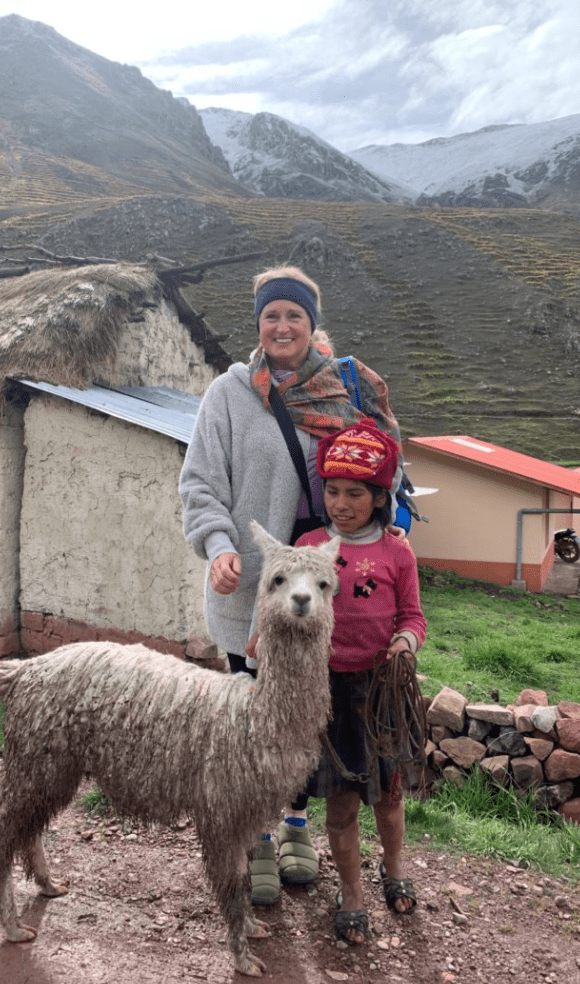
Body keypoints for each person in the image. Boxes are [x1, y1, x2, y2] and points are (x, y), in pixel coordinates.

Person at [179, 265, 402, 905]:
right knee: (252, 723)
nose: (282, 327)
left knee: (306, 717)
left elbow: (386, 469)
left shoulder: (345, 392)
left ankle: (297, 822)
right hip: (256, 587)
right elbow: (199, 484)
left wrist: (393, 528)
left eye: (294, 316)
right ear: (258, 324)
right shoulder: (228, 394)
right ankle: (256, 837)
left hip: (326, 594)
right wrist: (219, 547)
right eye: (271, 315)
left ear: (311, 325)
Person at [295, 417, 427, 945]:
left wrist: (404, 644)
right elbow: (286, 604)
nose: (341, 503)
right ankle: (350, 894)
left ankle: (394, 869)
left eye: (355, 493)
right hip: (325, 692)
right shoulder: (307, 545)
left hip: (381, 693)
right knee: (342, 803)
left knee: (389, 798)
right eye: (332, 490)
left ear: (379, 499)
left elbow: (413, 617)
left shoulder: (398, 552)